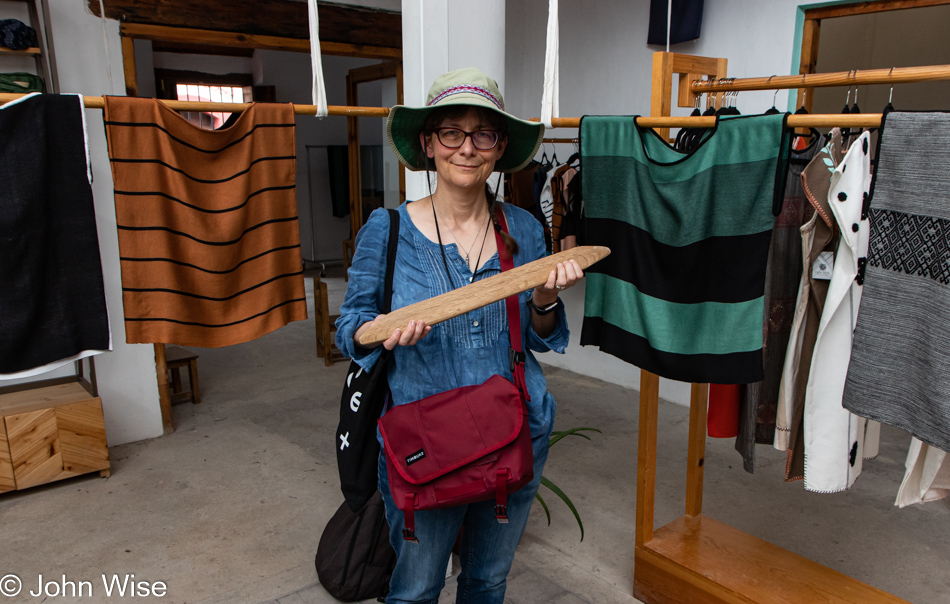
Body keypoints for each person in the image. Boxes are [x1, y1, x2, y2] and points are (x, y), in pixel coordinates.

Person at [336, 67, 583, 604]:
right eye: (451, 132)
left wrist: (545, 299)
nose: (466, 148)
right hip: (425, 443)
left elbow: (539, 338)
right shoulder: (389, 230)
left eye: (483, 134)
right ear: (427, 144)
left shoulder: (522, 229)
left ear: (499, 148)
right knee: (416, 588)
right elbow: (348, 332)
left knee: (487, 581)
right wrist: (382, 333)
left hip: (513, 428)